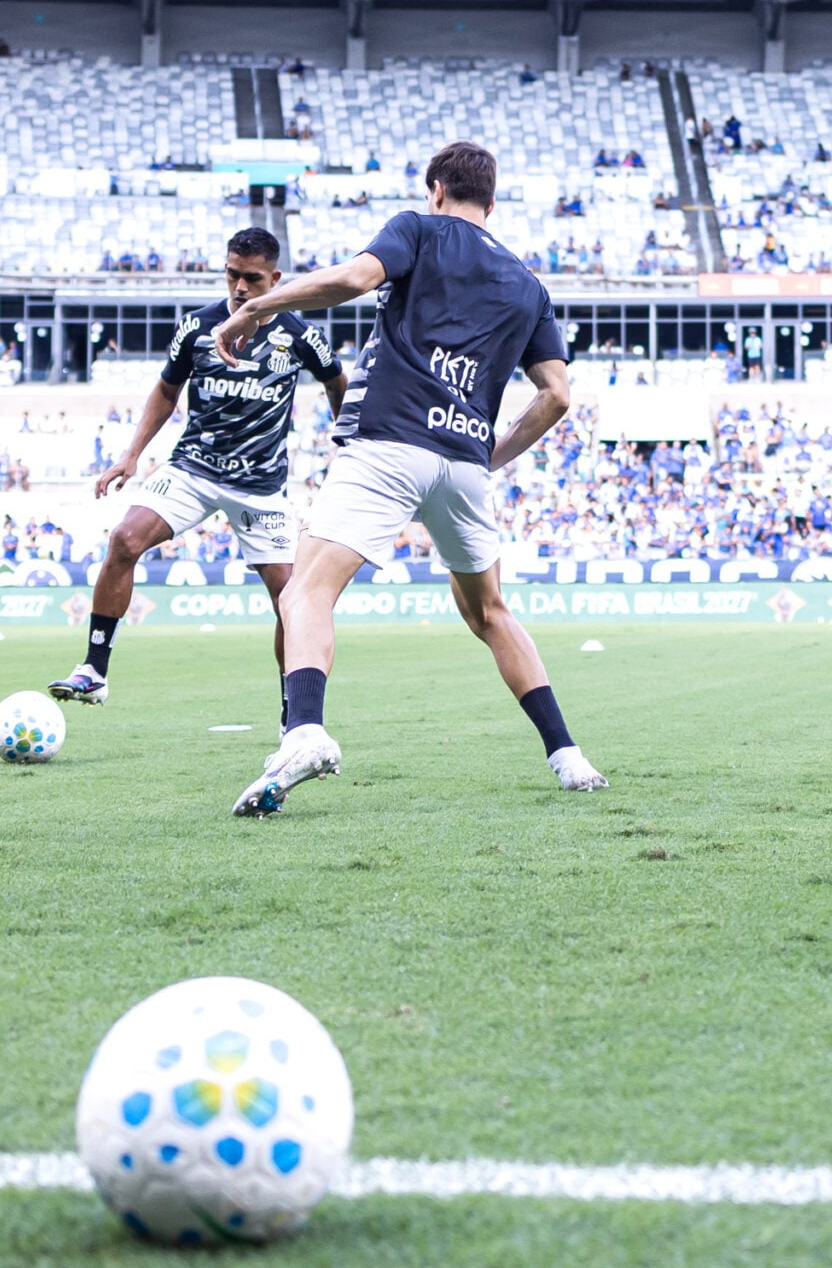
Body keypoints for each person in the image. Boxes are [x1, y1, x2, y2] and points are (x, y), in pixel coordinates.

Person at [209, 140, 605, 815]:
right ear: (493, 202)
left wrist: (257, 308)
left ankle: (304, 731)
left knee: (305, 594)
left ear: (436, 190)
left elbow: (356, 279)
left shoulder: (419, 230)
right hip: (463, 466)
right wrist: (490, 455)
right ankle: (569, 756)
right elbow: (558, 395)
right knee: (491, 613)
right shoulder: (530, 287)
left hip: (389, 441)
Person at [49, 227, 347, 709]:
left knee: (291, 600)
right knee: (124, 539)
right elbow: (167, 391)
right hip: (194, 470)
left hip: (261, 487)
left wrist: (347, 449)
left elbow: (339, 386)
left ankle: (293, 718)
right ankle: (94, 670)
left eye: (252, 278)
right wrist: (131, 454)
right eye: (232, 275)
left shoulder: (300, 336)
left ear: (275, 278)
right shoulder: (197, 327)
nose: (240, 288)